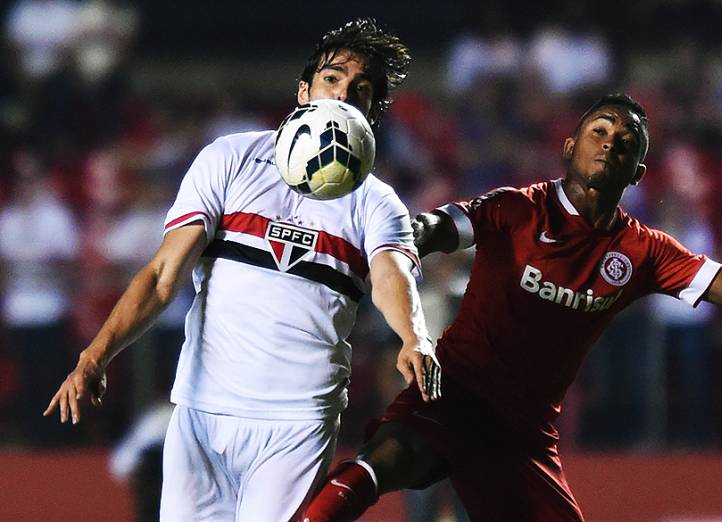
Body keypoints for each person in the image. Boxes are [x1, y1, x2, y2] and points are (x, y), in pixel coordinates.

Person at [295, 93, 722, 522]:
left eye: (625, 140)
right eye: (599, 131)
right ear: (568, 146)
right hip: (454, 394)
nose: (610, 142)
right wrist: (385, 235)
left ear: (638, 169)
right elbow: (435, 227)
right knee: (388, 459)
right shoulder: (517, 209)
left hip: (525, 438)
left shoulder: (642, 251)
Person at [43, 18, 440, 522]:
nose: (342, 94)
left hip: (297, 421)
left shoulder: (378, 204)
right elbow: (163, 275)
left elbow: (391, 277)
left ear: (371, 114)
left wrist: (414, 336)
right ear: (304, 90)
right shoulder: (230, 159)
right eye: (332, 78)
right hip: (201, 412)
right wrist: (96, 354)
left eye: (359, 90)